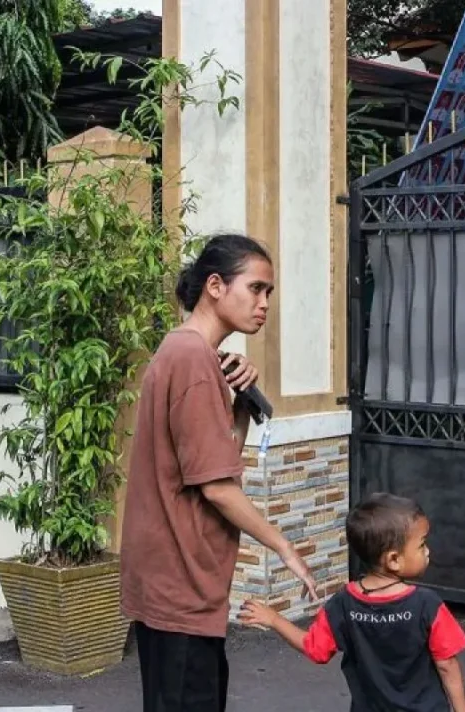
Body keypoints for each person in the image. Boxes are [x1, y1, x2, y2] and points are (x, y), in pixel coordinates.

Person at [119, 233, 319, 712]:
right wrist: (284, 546)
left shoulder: (191, 355)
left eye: (268, 292)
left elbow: (216, 460)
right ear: (214, 285)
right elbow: (217, 488)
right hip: (179, 584)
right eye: (255, 288)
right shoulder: (190, 357)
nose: (264, 303)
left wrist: (241, 408)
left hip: (180, 586)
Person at [238, 492, 465, 712]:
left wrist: (274, 619)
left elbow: (315, 648)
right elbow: (447, 665)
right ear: (393, 559)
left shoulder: (342, 604)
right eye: (421, 544)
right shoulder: (427, 605)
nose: (428, 551)